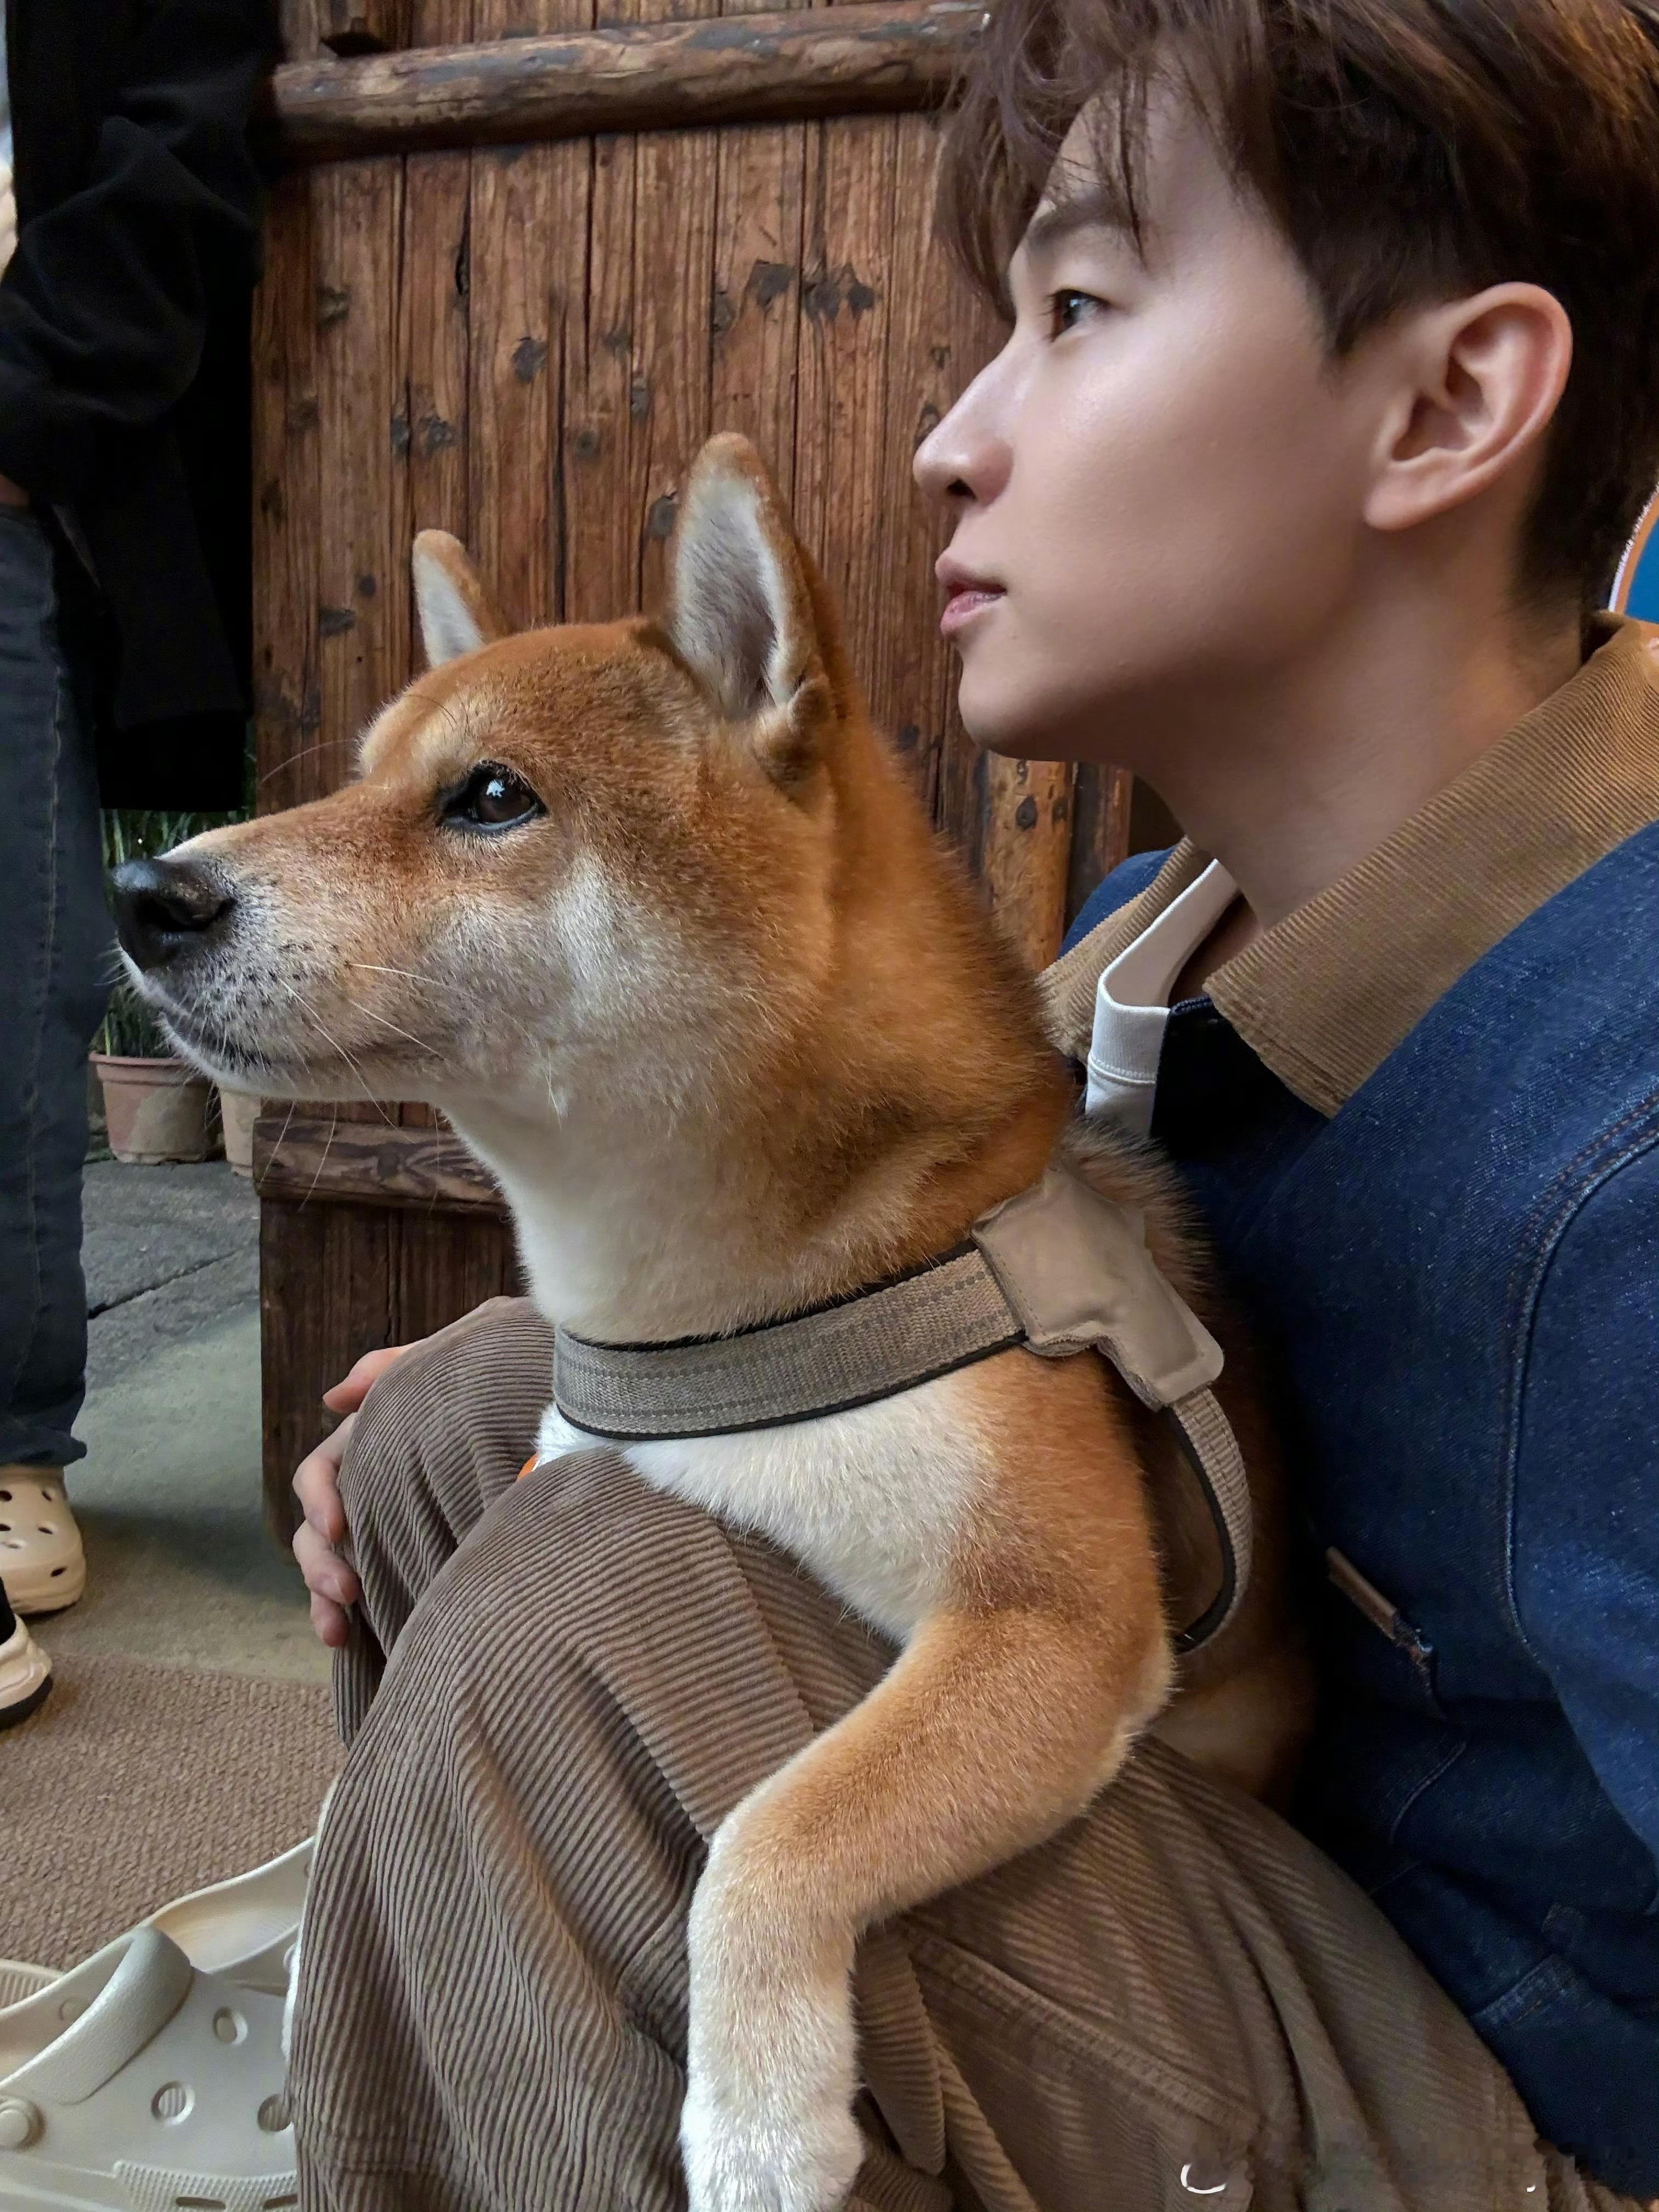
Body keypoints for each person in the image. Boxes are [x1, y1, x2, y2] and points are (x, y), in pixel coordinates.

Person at [284, 1, 1659, 2204]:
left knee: (584, 1616)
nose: (950, 437)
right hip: (1223, 1858)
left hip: (1496, 2105)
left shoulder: (1628, 1138)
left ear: (1449, 402)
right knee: (480, 1422)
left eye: (1078, 310)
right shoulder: (1152, 931)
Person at [0, 0, 269, 1703]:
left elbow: (186, 141)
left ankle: (8, 1439)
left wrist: (22, 414)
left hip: (29, 458)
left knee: (14, 979)